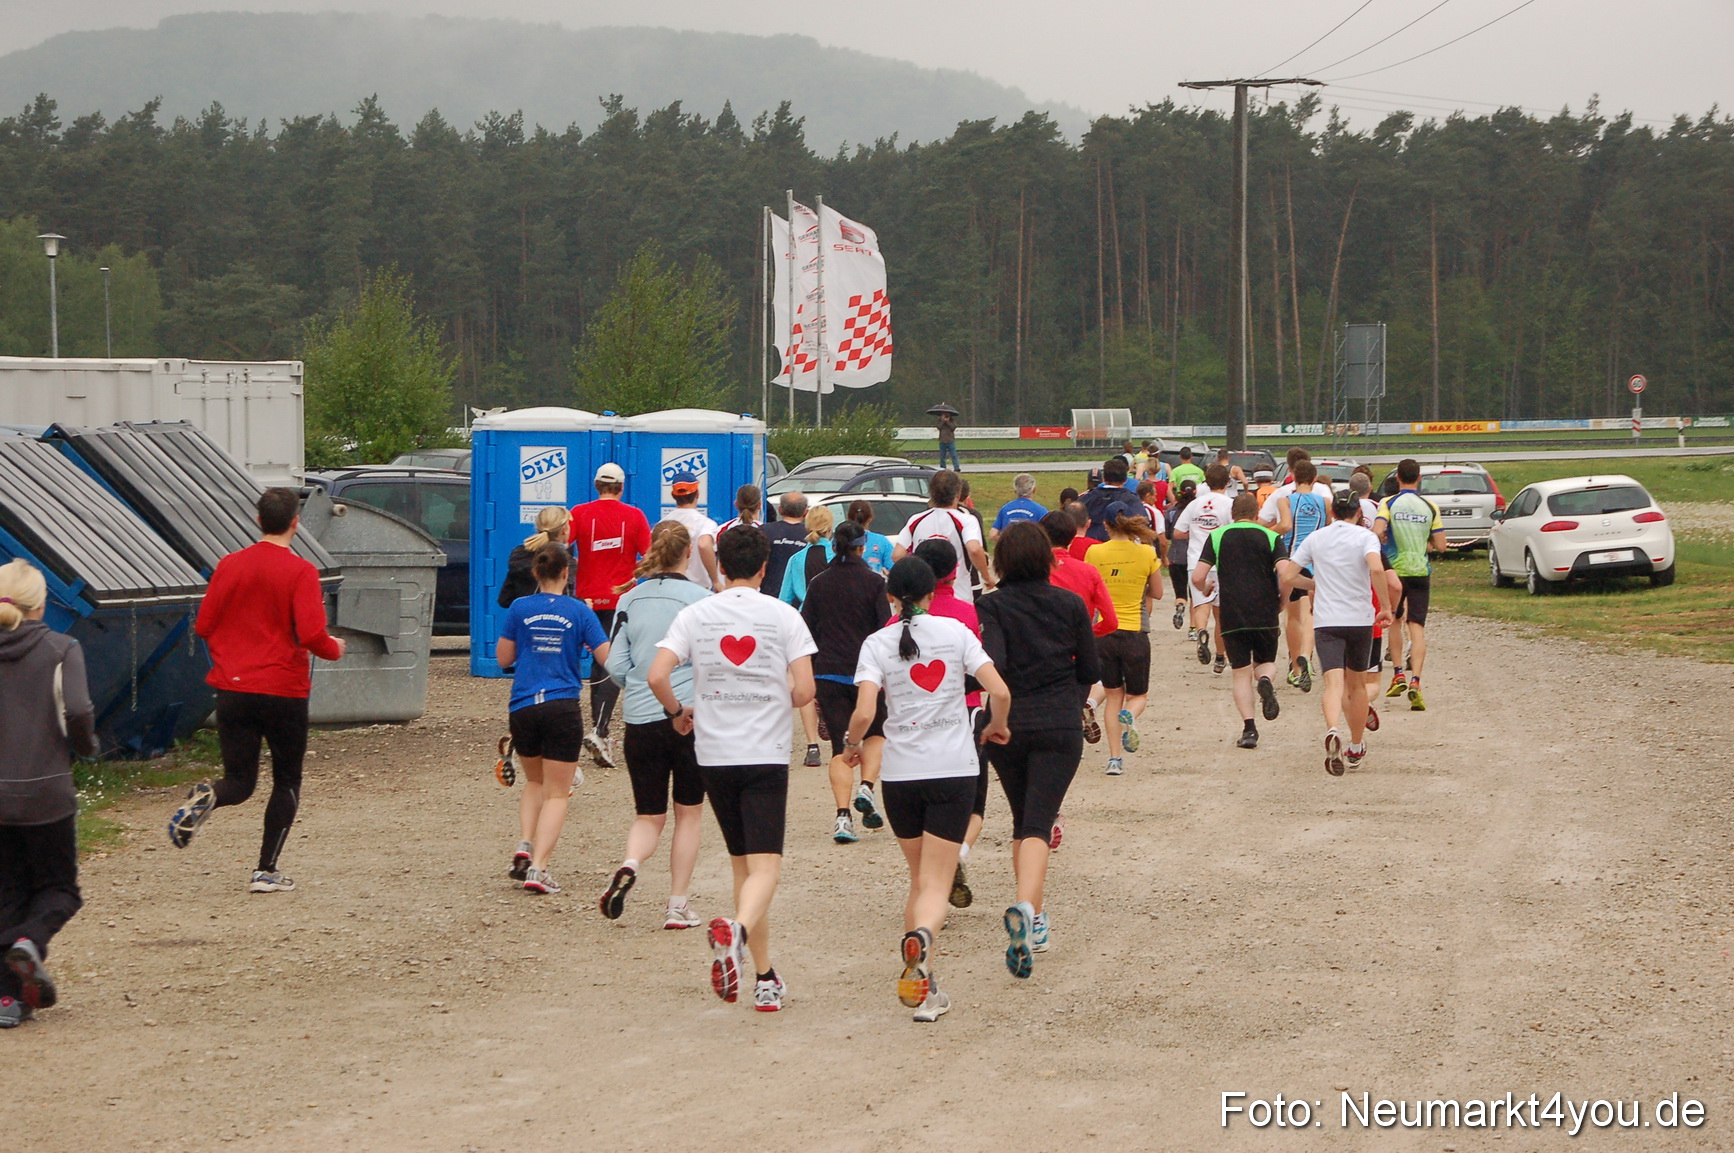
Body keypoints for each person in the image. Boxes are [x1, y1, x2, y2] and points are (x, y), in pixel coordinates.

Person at [649, 526, 817, 1012]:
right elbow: (805, 691)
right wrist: (776, 697)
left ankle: (764, 977)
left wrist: (677, 711)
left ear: (719, 565)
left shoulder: (696, 613)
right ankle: (738, 932)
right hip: (764, 753)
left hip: (715, 755)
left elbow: (657, 674)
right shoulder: (783, 615)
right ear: (765, 567)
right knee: (766, 867)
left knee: (743, 867)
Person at [849, 557, 1010, 1023]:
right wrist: (996, 726)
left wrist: (852, 746)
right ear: (931, 594)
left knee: (919, 880)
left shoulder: (876, 643)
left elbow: (864, 712)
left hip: (901, 776)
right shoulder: (955, 632)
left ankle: (924, 987)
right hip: (952, 770)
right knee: (937, 884)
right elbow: (999, 691)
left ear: (891, 598)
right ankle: (922, 939)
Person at [167, 488, 346, 893]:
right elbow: (311, 634)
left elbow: (203, 625)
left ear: (258, 520)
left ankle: (208, 796)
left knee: (239, 782)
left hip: (234, 688)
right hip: (283, 689)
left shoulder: (229, 565)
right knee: (286, 780)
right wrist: (334, 648)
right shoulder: (301, 571)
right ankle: (266, 871)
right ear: (295, 523)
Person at [978, 522, 1100, 980]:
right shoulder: (1069, 603)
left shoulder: (990, 605)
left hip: (1008, 725)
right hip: (1058, 723)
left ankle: (1036, 914)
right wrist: (1069, 701)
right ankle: (1029, 910)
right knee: (1038, 822)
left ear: (1002, 561)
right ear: (1048, 559)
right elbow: (1089, 668)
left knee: (1023, 819)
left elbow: (994, 665)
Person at [600, 522, 710, 929]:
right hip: (689, 717)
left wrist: (636, 680)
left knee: (648, 815)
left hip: (641, 718)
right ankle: (677, 904)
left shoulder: (629, 598)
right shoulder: (702, 601)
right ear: (688, 553)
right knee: (689, 814)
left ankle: (630, 862)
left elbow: (615, 665)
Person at [0, 560, 96, 1028]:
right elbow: (77, 709)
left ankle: (8, 1000)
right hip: (47, 793)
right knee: (59, 890)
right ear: (41, 605)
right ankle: (29, 943)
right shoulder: (62, 648)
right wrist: (86, 747)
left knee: (8, 893)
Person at [496, 545, 611, 894]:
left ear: (535, 572)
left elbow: (503, 659)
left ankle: (525, 844)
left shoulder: (519, 607)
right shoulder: (579, 611)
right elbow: (607, 659)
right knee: (558, 794)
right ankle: (539, 868)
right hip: (562, 707)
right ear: (566, 573)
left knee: (534, 781)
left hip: (523, 706)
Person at [1279, 493, 1399, 776]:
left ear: (1332, 513)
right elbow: (1376, 568)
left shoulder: (1316, 538)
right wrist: (1384, 607)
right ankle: (1356, 745)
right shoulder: (1365, 537)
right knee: (1357, 686)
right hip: (1359, 620)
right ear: (1358, 512)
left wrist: (1315, 584)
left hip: (1327, 621)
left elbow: (1288, 575)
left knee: (1333, 685)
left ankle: (1333, 729)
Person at [905, 539, 991, 907]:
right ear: (955, 572)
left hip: (912, 723)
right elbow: (982, 672)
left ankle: (930, 877)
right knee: (974, 804)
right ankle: (959, 852)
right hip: (964, 715)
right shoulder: (965, 613)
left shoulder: (897, 622)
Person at [800, 520, 889, 845]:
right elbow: (883, 628)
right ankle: (866, 786)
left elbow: (806, 628)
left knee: (840, 747)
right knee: (876, 733)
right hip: (867, 674)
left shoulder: (819, 583)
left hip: (828, 672)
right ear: (862, 547)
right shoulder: (874, 582)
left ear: (834, 546)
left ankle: (842, 817)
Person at [569, 461, 650, 770]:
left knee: (595, 663)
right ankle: (600, 731)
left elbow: (560, 545)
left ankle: (594, 730)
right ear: (621, 487)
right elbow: (650, 556)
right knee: (611, 665)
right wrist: (633, 577)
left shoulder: (579, 513)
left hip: (586, 601)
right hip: (619, 601)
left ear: (596, 485)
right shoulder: (635, 516)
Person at [1193, 494, 1285, 749]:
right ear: (1257, 514)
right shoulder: (1271, 536)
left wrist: (1206, 586)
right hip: (1265, 610)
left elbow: (1198, 576)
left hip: (1233, 612)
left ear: (1232, 514)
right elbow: (1285, 574)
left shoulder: (1218, 536)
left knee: (1241, 673)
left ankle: (1249, 729)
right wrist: (1282, 600)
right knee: (1266, 663)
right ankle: (1265, 681)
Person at [1084, 512, 1162, 773]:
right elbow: (1158, 593)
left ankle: (1114, 759)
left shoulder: (1094, 553)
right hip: (1135, 632)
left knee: (1113, 694)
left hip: (1104, 632)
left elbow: (1091, 590)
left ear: (1105, 525)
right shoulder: (1147, 553)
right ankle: (1130, 715)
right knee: (1138, 696)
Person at [1375, 458, 1446, 711]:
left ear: (1397, 479)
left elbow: (1376, 530)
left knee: (1395, 620)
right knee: (1416, 627)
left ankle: (1398, 674)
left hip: (1395, 572)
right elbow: (1441, 545)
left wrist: (1385, 538)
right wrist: (1425, 542)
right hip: (1420, 571)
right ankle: (1416, 680)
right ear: (1419, 478)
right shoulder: (1430, 506)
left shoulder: (1388, 503)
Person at [761, 493, 822, 767]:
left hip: (773, 613)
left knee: (779, 677)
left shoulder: (767, 532)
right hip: (812, 618)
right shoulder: (814, 540)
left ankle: (779, 736)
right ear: (805, 512)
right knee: (807, 678)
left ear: (780, 509)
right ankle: (814, 741)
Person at [1272, 459, 1331, 692]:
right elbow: (1327, 528)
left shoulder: (1285, 500)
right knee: (1311, 614)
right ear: (1315, 479)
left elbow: (1286, 526)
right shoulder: (1325, 502)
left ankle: (1296, 668)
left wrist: (1265, 531)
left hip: (1293, 560)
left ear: (1293, 478)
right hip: (1316, 562)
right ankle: (1306, 654)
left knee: (1293, 616)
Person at [892, 471, 994, 604]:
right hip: (958, 595)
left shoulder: (916, 520)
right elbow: (974, 549)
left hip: (925, 597)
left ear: (931, 493)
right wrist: (986, 576)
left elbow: (897, 555)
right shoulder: (966, 520)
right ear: (958, 494)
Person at [1173, 464, 1234, 671]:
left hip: (1196, 562)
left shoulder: (1195, 504)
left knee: (1201, 605)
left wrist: (1197, 532)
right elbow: (1233, 531)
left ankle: (1200, 631)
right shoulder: (1229, 504)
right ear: (1228, 482)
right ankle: (1220, 657)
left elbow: (1178, 532)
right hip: (1221, 562)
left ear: (1206, 482)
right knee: (1221, 614)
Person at [497, 505, 570, 606]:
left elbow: (505, 599)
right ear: (564, 530)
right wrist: (583, 602)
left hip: (525, 614)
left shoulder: (519, 556)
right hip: (554, 615)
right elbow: (566, 601)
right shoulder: (562, 559)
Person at [663, 471, 719, 590]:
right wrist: (716, 580)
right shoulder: (705, 524)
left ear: (673, 495)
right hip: (699, 590)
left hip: (668, 589)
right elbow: (704, 545)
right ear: (697, 494)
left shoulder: (662, 525)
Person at [778, 505, 835, 608]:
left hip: (805, 614)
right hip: (832, 614)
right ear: (830, 529)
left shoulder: (795, 559)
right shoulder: (837, 557)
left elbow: (784, 600)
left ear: (807, 528)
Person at [1081, 457, 1148, 541]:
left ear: (1104, 479)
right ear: (1125, 480)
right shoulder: (1132, 500)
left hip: (1090, 543)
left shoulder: (1087, 498)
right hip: (1122, 544)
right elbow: (1142, 525)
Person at [761, 491, 811, 597]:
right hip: (799, 598)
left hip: (768, 595)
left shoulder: (764, 531)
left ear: (780, 510)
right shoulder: (812, 536)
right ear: (806, 512)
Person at [1165, 479, 1197, 632]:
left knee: (1180, 591)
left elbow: (1168, 534)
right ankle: (1193, 628)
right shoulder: (1197, 510)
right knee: (1195, 595)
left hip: (1176, 555)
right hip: (1194, 555)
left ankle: (1180, 605)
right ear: (1195, 491)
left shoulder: (1171, 512)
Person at [991, 473, 1046, 541]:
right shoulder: (1040, 510)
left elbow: (993, 535)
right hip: (1032, 546)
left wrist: (1008, 540)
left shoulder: (1005, 509)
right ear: (1034, 490)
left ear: (1015, 491)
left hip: (1009, 547)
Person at [846, 499, 895, 574]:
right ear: (870, 518)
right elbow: (893, 568)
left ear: (848, 517)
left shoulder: (839, 540)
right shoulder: (881, 541)